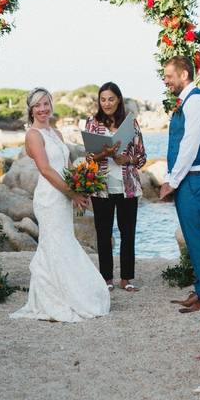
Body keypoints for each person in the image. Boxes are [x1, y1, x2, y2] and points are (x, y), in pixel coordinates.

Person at [10, 88, 110, 322]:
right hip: (49, 198)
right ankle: (55, 298)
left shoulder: (56, 133)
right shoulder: (33, 135)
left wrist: (82, 184)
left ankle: (68, 293)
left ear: (51, 104)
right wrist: (73, 193)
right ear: (31, 109)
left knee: (63, 242)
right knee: (56, 244)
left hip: (63, 196)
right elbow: (46, 170)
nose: (43, 109)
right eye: (37, 105)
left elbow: (66, 167)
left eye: (46, 103)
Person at [159, 56, 200, 314]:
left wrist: (171, 181)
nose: (165, 80)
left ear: (184, 75)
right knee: (194, 239)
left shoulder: (195, 102)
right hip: (189, 178)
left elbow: (189, 146)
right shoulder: (187, 101)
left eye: (169, 75)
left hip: (194, 178)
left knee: (199, 238)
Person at [83, 82, 147, 292]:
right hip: (101, 186)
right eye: (103, 99)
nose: (107, 103)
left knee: (128, 232)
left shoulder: (131, 124)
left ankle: (126, 279)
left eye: (111, 99)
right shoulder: (92, 123)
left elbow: (141, 157)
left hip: (127, 186)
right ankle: (107, 279)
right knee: (103, 233)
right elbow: (89, 158)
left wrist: (126, 159)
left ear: (118, 99)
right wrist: (105, 154)